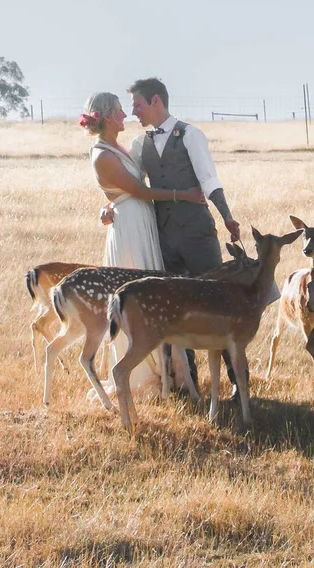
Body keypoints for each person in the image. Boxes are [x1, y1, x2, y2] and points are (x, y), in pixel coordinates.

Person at [81, 91, 205, 398]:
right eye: (121, 111)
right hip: (130, 232)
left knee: (155, 295)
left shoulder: (118, 147)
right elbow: (138, 190)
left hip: (141, 223)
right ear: (108, 116)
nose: (127, 115)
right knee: (139, 298)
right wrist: (183, 195)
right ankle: (143, 375)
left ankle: (169, 372)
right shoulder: (102, 155)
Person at [126, 77, 242, 392]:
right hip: (164, 238)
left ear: (155, 102)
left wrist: (228, 218)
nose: (132, 111)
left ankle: (236, 382)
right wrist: (109, 208)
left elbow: (209, 180)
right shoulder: (139, 145)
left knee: (216, 304)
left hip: (198, 234)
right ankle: (188, 379)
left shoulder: (191, 135)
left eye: (137, 104)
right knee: (176, 310)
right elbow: (132, 186)